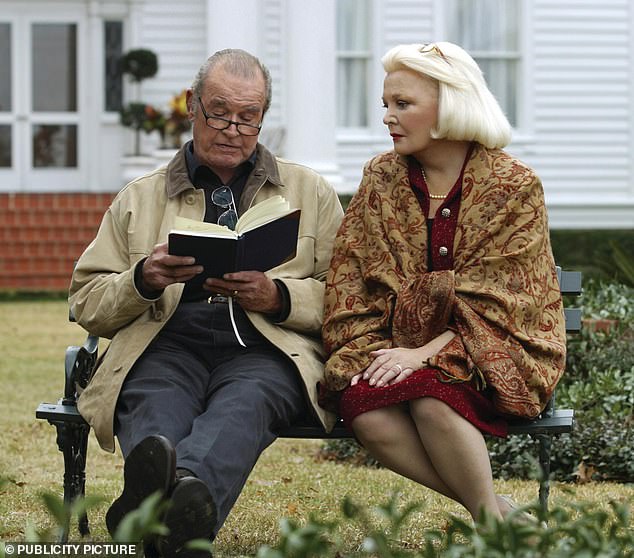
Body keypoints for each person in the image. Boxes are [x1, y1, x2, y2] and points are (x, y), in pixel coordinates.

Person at [70, 48, 343, 556]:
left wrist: (279, 295)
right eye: (219, 112)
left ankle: (162, 507)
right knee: (153, 402)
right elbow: (86, 300)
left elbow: (347, 298)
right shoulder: (140, 197)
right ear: (194, 106)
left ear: (263, 118)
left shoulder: (312, 192)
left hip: (266, 348)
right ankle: (183, 512)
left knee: (248, 403)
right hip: (166, 342)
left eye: (248, 117)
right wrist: (142, 280)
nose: (232, 129)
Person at [321, 41, 566, 523]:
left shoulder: (514, 185)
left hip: (497, 349)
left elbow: (509, 301)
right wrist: (388, 348)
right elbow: (352, 274)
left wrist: (422, 354)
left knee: (432, 399)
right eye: (386, 105)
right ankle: (496, 515)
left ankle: (489, 525)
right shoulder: (380, 177)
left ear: (450, 106)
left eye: (403, 104)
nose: (387, 117)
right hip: (394, 344)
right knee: (365, 412)